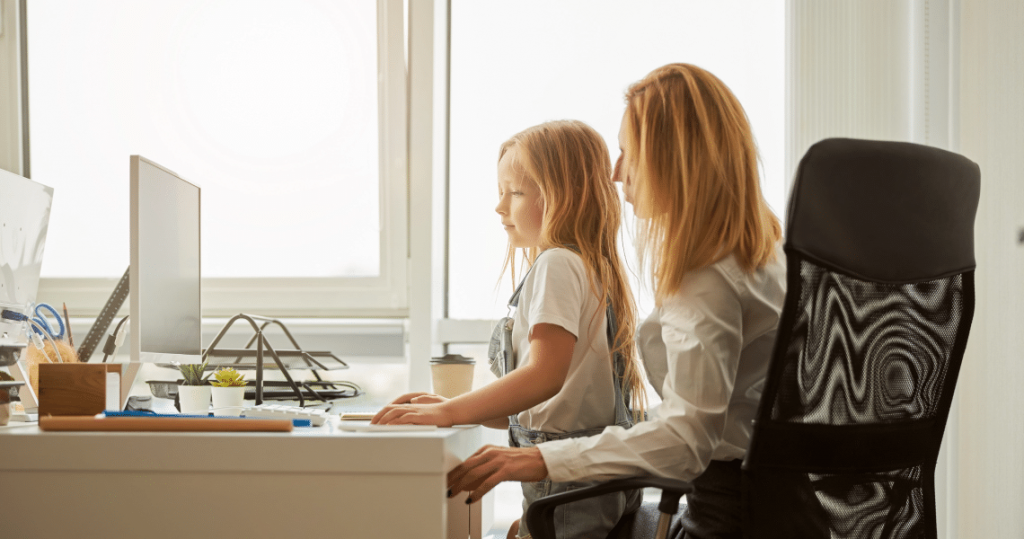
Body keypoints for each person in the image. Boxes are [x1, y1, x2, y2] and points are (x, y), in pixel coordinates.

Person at [446, 63, 786, 539]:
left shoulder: (708, 275)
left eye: (628, 150)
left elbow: (688, 439)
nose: (616, 170)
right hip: (770, 505)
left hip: (730, 517)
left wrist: (539, 458)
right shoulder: (763, 255)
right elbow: (711, 415)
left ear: (674, 156)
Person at [372, 119, 649, 539]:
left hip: (566, 477)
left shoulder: (556, 264)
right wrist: (463, 406)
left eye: (516, 193)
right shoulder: (591, 267)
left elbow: (543, 377)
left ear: (563, 197)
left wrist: (447, 412)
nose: (500, 207)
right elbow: (557, 404)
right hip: (593, 475)